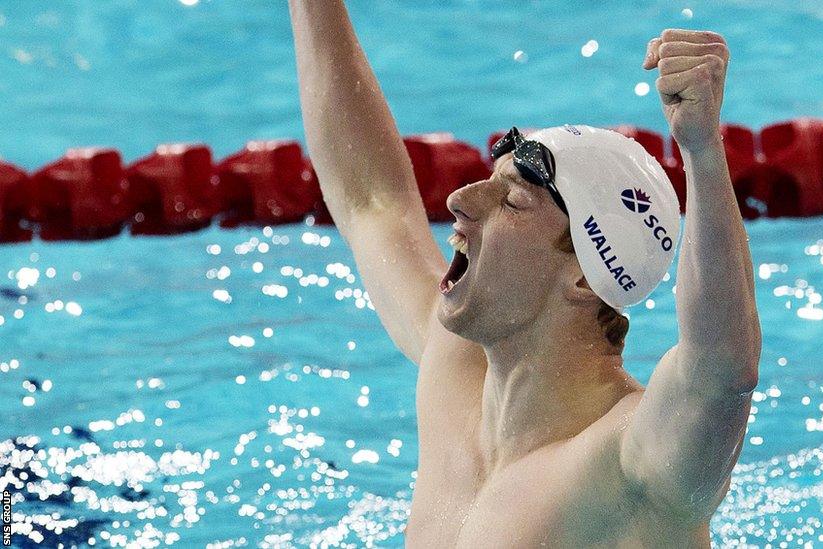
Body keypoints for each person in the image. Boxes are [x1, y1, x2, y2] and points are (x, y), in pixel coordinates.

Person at [289, 1, 761, 546]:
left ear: (585, 279)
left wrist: (702, 150)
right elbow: (371, 202)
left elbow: (723, 372)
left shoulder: (633, 465)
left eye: (512, 200)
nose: (459, 200)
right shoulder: (456, 379)